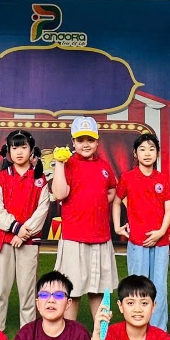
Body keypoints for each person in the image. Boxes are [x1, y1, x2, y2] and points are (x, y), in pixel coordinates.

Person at [51, 117, 119, 322]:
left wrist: (97, 200)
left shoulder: (104, 166)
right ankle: (69, 336)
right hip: (74, 238)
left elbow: (111, 190)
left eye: (90, 140)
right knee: (71, 291)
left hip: (101, 237)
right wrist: (59, 164)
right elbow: (59, 193)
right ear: (73, 142)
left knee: (100, 290)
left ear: (97, 142)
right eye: (81, 140)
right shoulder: (68, 164)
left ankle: (102, 336)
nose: (86, 144)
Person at [0, 130, 51, 332]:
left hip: (28, 242)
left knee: (27, 291)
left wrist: (24, 234)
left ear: (31, 149)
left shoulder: (40, 179)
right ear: (8, 150)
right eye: (14, 147)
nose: (19, 152)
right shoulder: (1, 178)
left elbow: (42, 209)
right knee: (0, 289)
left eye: (24, 147)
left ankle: (28, 332)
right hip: (3, 240)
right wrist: (16, 229)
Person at [113, 133, 170, 329]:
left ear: (157, 153)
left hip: (161, 243)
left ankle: (158, 331)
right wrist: (117, 226)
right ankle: (136, 328)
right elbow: (116, 202)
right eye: (142, 149)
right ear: (135, 153)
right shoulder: (128, 178)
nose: (147, 153)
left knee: (159, 287)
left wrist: (161, 232)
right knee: (137, 286)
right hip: (137, 242)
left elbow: (169, 209)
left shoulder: (162, 179)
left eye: (151, 149)